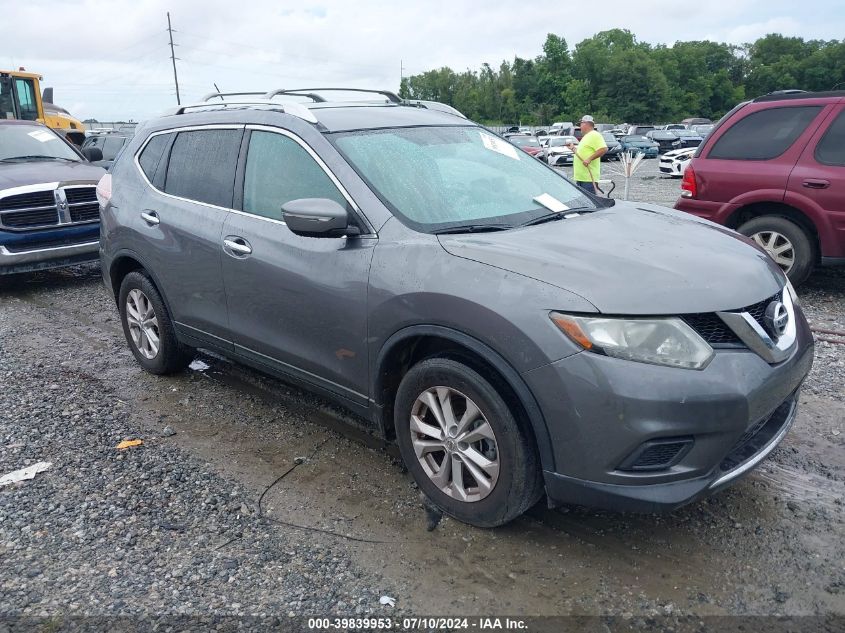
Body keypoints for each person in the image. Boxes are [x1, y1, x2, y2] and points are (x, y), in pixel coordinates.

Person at [568, 115, 607, 194]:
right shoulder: (586, 137)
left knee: (590, 203)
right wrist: (573, 148)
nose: (580, 127)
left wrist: (589, 159)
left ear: (585, 124)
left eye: (581, 124)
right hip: (582, 178)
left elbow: (603, 149)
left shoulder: (594, 135)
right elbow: (582, 153)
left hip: (588, 179)